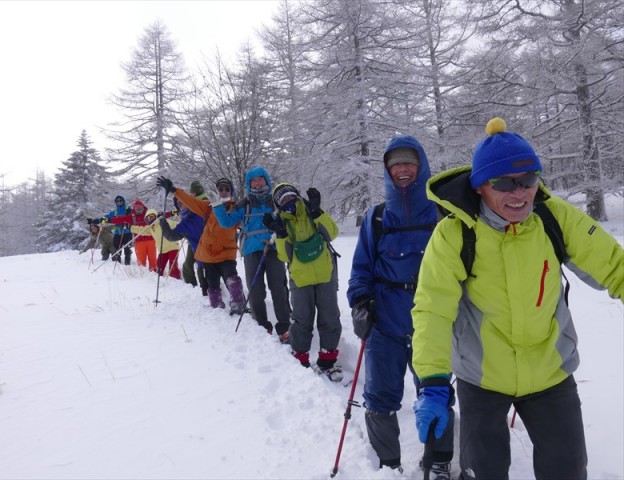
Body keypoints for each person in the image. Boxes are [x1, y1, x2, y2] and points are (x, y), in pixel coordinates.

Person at [411, 118, 624, 480]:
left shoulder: (553, 217)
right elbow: (433, 308)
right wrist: (432, 382)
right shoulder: (455, 234)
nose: (519, 192)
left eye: (528, 179)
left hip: (550, 373)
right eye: (504, 183)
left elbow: (615, 267)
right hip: (481, 378)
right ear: (480, 186)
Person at [346, 135, 453, 476]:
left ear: (421, 167)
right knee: (380, 395)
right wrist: (361, 304)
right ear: (387, 172)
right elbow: (360, 270)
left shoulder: (443, 215)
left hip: (433, 321)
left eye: (409, 163)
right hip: (386, 321)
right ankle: (387, 464)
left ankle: (439, 460)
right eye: (396, 165)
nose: (403, 170)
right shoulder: (376, 219)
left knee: (435, 391)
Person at [262, 182, 342, 381]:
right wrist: (280, 234)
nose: (289, 201)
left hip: (325, 274)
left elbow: (332, 233)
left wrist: (318, 212)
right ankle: (301, 359)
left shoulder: (311, 212)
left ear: (297, 195)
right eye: (283, 199)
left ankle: (327, 360)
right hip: (300, 277)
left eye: (291, 196)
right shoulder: (281, 221)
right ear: (278, 204)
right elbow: (284, 256)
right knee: (302, 318)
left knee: (330, 317)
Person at [213, 166, 291, 338]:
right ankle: (263, 325)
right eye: (253, 181)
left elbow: (289, 219)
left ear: (266, 181)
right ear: (249, 184)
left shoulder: (275, 201)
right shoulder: (244, 203)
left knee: (278, 288)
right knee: (255, 289)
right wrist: (218, 205)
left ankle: (284, 327)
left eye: (260, 180)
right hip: (251, 250)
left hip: (274, 248)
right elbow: (227, 223)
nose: (257, 184)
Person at [156, 176, 246, 315]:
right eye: (220, 189)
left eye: (227, 189)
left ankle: (238, 303)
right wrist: (174, 190)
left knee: (231, 277)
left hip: (227, 252)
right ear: (217, 191)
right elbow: (191, 202)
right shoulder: (208, 207)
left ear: (231, 192)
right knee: (212, 283)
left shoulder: (236, 209)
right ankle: (216, 307)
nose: (223, 192)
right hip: (208, 254)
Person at [159, 181, 209, 294]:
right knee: (206, 285)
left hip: (214, 252)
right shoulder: (184, 223)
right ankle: (195, 289)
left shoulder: (200, 211)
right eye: (179, 205)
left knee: (218, 280)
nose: (181, 206)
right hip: (201, 256)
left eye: (183, 203)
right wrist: (163, 223)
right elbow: (171, 236)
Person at [105, 199, 156, 271]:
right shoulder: (132, 216)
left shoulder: (148, 213)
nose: (138, 208)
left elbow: (160, 215)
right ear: (134, 208)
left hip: (151, 240)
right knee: (141, 261)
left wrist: (173, 213)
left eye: (139, 206)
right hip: (139, 241)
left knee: (153, 259)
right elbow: (119, 219)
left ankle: (154, 272)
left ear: (142, 206)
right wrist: (106, 220)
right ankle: (143, 275)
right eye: (136, 207)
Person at [131, 209, 181, 279]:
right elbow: (141, 230)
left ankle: (177, 280)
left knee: (173, 267)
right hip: (162, 250)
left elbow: (176, 225)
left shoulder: (165, 222)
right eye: (148, 218)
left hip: (172, 248)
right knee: (159, 268)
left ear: (156, 216)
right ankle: (158, 280)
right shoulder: (151, 228)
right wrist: (131, 227)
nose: (150, 219)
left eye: (152, 216)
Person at [96, 195, 133, 265]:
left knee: (127, 249)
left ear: (123, 201)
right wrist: (98, 221)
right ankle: (118, 264)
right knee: (117, 250)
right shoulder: (114, 212)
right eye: (117, 201)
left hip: (127, 232)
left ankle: (127, 264)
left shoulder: (129, 210)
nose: (119, 202)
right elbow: (106, 218)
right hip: (117, 233)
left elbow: (135, 217)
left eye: (120, 201)